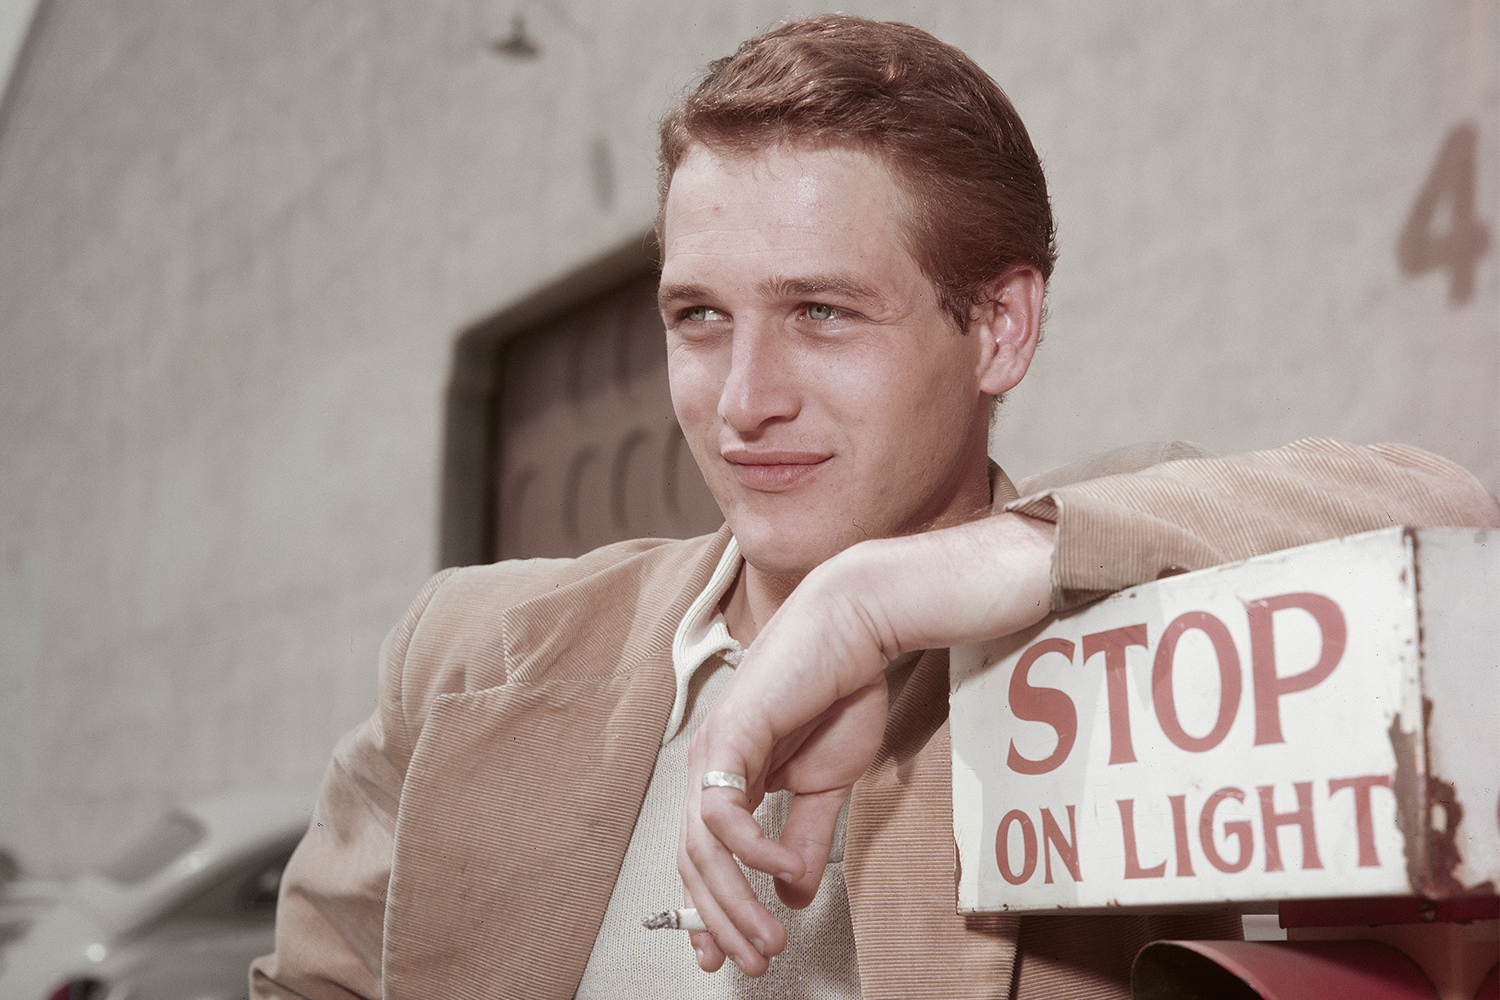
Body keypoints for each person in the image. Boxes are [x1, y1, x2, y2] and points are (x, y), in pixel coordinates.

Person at [251, 15, 1500, 1000]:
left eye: (822, 313)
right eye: (699, 319)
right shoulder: (467, 650)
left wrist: (871, 600)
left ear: (998, 329)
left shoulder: (1126, 617)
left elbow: (1441, 514)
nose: (743, 401)